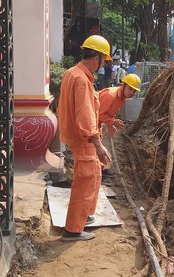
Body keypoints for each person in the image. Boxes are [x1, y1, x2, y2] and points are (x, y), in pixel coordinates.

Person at [57, 34, 112, 242]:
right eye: (103, 60)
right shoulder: (81, 80)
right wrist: (97, 142)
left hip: (78, 136)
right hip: (84, 139)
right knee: (85, 182)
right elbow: (85, 113)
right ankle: (72, 230)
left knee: (93, 175)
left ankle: (85, 216)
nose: (102, 65)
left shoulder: (73, 73)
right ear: (97, 58)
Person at [97, 74, 141, 181]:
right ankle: (97, 174)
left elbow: (109, 112)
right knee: (94, 148)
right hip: (90, 121)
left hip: (97, 123)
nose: (132, 93)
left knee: (99, 146)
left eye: (134, 91)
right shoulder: (111, 95)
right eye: (130, 89)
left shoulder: (122, 98)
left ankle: (101, 169)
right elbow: (99, 114)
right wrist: (112, 122)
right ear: (124, 85)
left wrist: (111, 124)